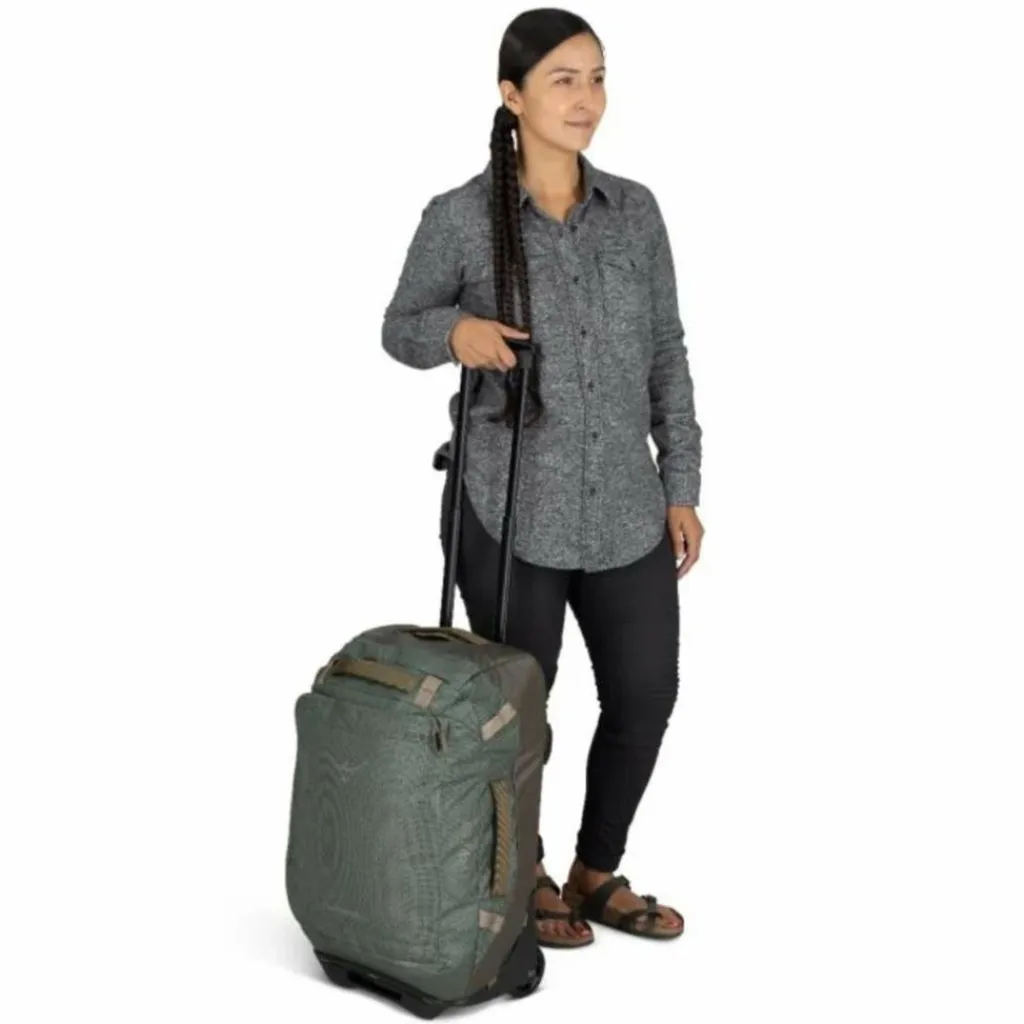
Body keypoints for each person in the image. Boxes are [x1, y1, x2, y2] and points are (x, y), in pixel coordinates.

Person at [381, 9, 703, 948]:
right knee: (517, 714)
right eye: (564, 79)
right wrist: (456, 332)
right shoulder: (459, 217)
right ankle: (519, 875)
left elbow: (667, 350)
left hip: (627, 508)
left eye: (597, 77)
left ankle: (596, 871)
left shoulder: (635, 211)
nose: (587, 98)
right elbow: (399, 326)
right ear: (511, 95)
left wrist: (681, 483)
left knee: (644, 694)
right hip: (508, 505)